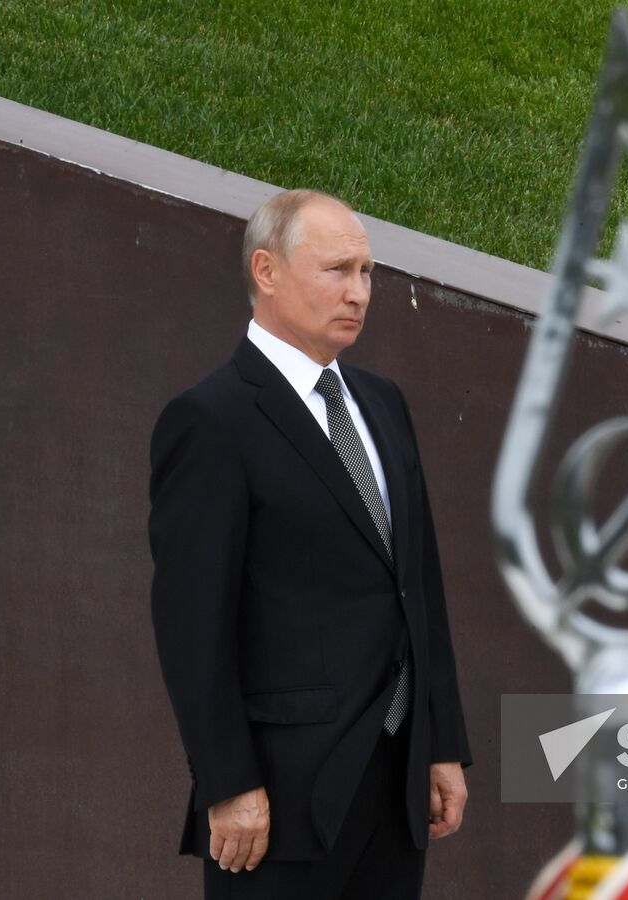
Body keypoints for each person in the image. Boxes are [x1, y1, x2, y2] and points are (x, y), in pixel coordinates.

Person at [148, 189, 473, 899]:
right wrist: (227, 781)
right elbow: (190, 624)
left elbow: (418, 584)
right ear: (266, 271)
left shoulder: (383, 403)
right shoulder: (211, 420)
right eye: (337, 270)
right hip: (280, 800)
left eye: (366, 273)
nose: (358, 293)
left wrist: (440, 743)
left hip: (395, 790)